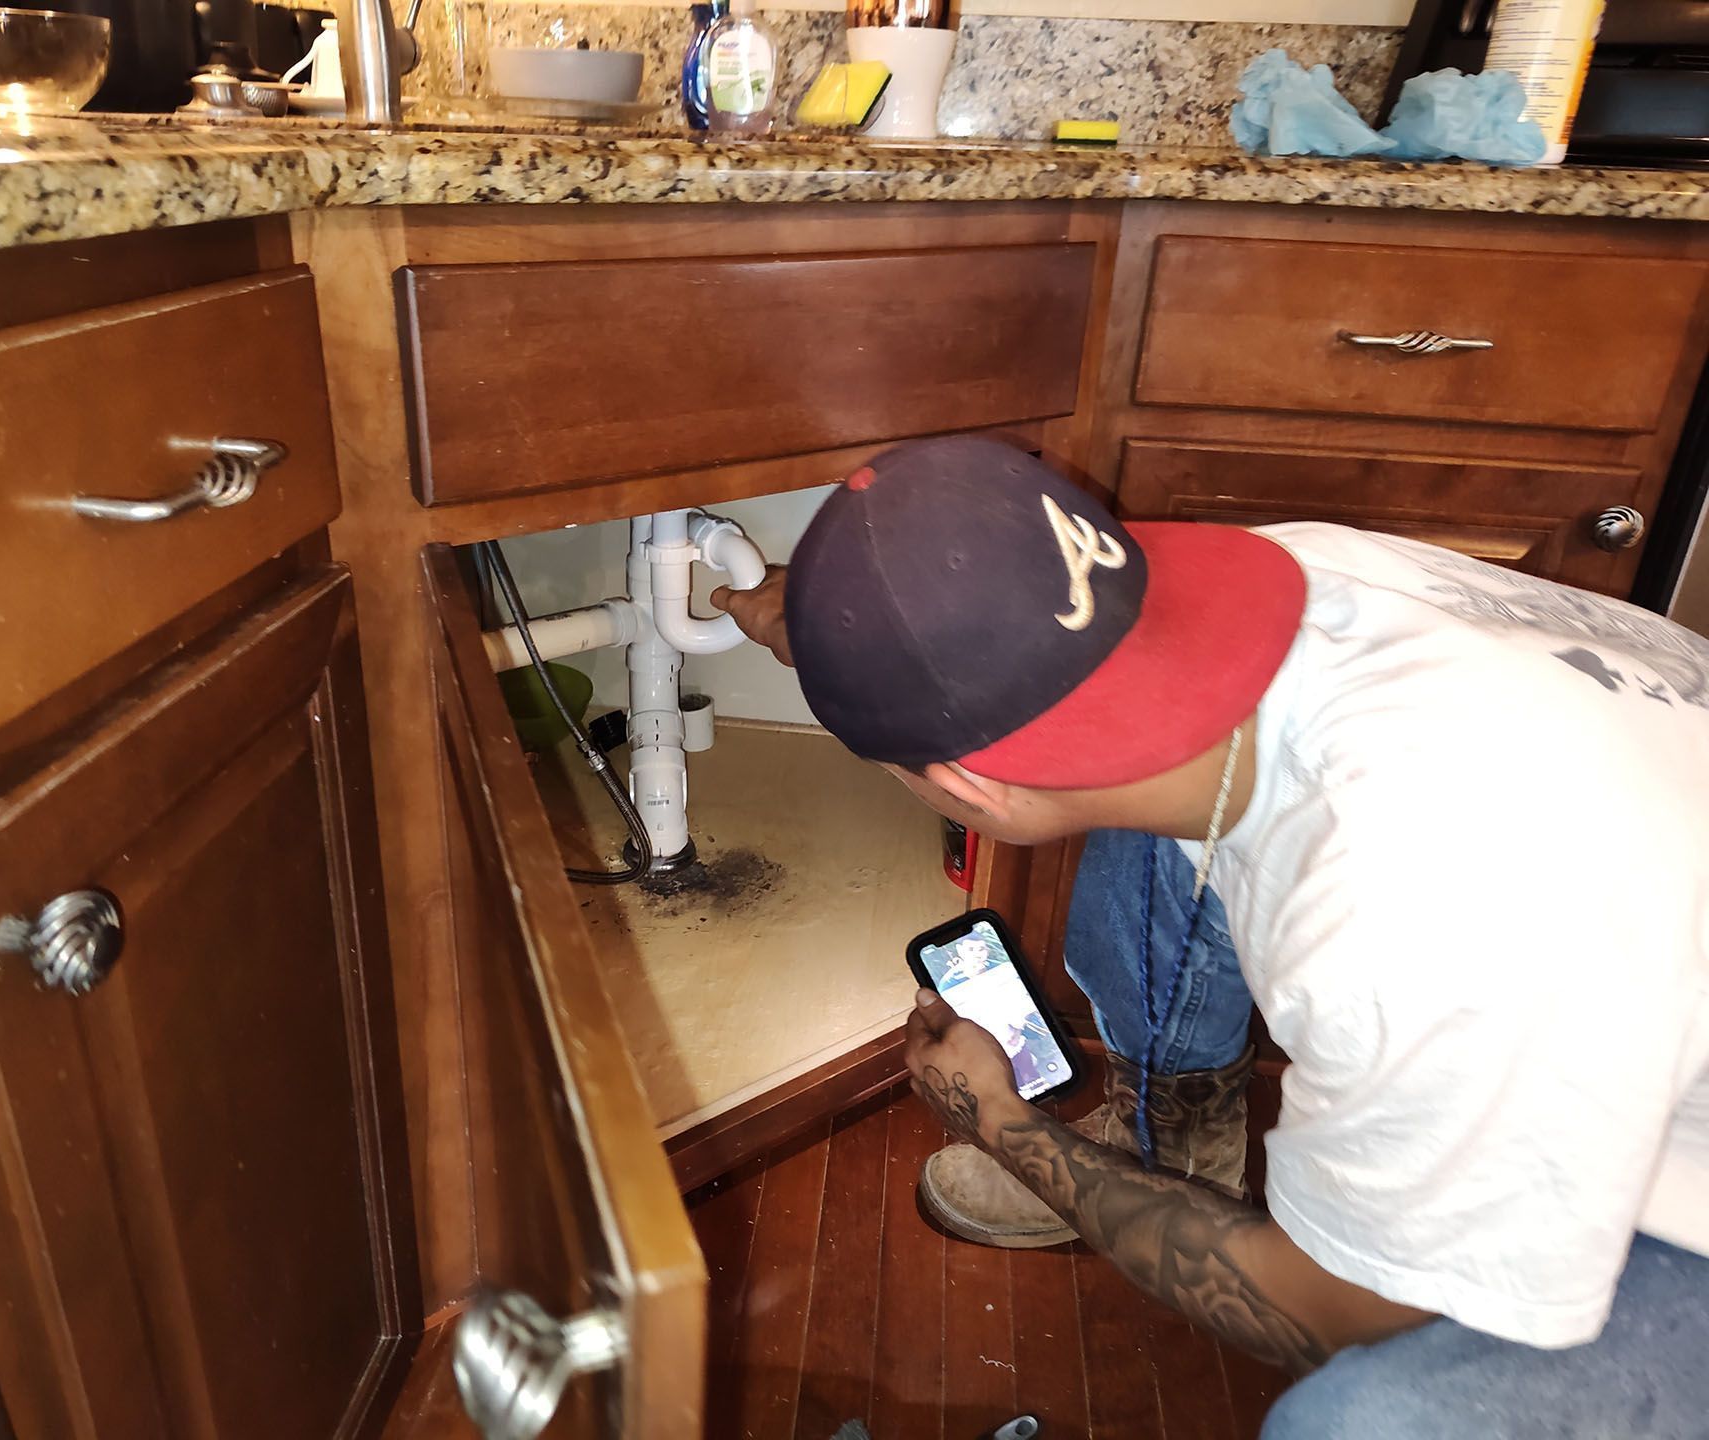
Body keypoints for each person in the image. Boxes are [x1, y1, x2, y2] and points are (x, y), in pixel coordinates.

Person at [711, 435, 1709, 1437]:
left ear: (969, 788)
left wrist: (1003, 1121)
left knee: (1354, 1421)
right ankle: (1178, 1145)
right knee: (1155, 809)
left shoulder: (1399, 916)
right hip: (1615, 943)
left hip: (1672, 1195)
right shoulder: (1306, 573)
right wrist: (822, 626)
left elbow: (1329, 1314)